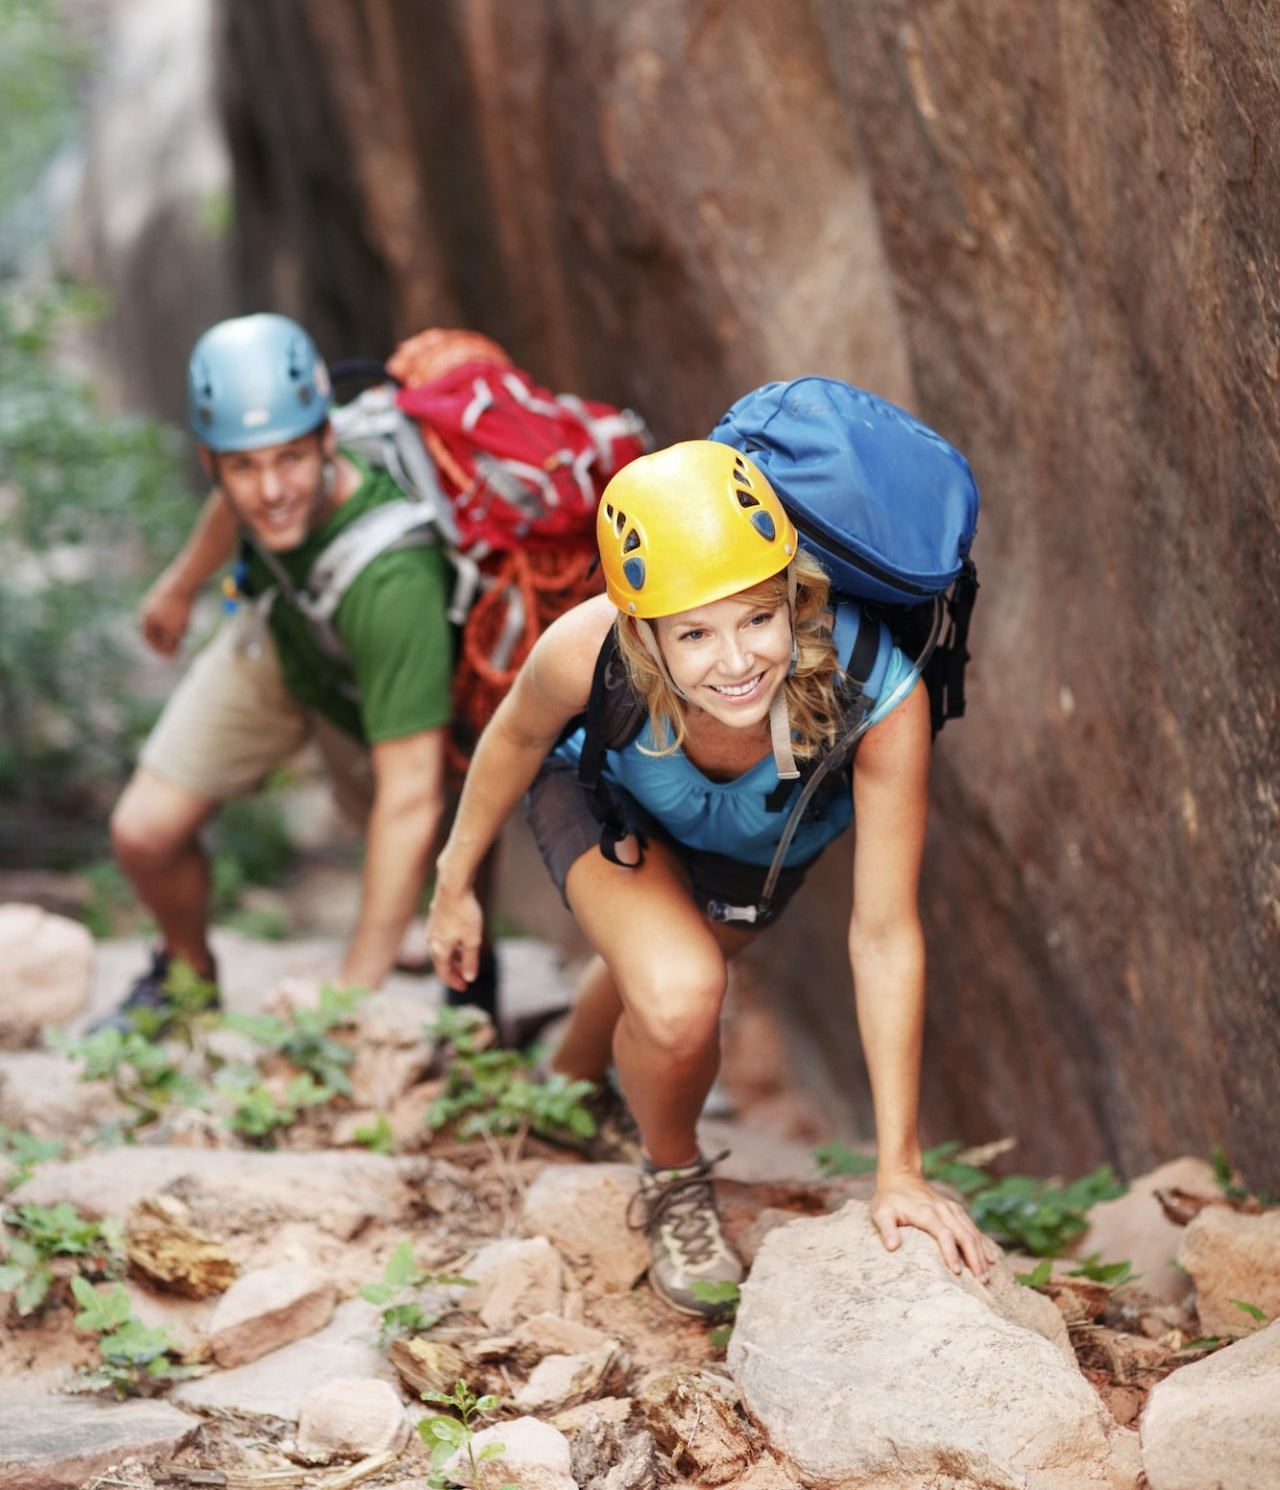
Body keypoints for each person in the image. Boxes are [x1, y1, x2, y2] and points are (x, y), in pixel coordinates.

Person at [424, 438, 996, 1318]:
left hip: (758, 846)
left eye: (759, 619)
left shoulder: (876, 695)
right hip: (608, 800)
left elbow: (884, 935)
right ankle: (671, 1170)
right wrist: (454, 880)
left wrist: (900, 1173)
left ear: (796, 597)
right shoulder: (588, 649)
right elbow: (513, 738)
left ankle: (565, 1090)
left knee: (658, 977)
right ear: (641, 630)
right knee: (683, 990)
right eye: (694, 633)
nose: (736, 663)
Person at [100, 312, 482, 1026]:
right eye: (243, 466)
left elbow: (409, 798)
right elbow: (237, 507)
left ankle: (471, 1004)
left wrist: (344, 1004)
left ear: (327, 439)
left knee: (431, 857)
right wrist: (181, 587)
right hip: (289, 636)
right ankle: (188, 981)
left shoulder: (393, 583)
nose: (270, 489)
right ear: (212, 462)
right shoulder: (257, 483)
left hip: (370, 688)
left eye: (291, 460)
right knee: (143, 833)